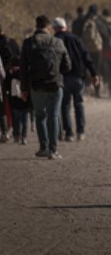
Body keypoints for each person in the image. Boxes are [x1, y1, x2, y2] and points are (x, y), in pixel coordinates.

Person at [20, 15, 72, 159]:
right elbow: (67, 67)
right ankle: (53, 150)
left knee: (40, 115)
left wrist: (24, 89)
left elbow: (23, 68)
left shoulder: (28, 43)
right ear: (49, 27)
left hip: (36, 86)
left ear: (36, 26)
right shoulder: (58, 42)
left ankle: (43, 147)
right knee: (53, 116)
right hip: (55, 85)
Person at [53, 17, 100, 142]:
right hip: (78, 76)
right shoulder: (76, 39)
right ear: (66, 27)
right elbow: (86, 56)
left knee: (65, 105)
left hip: (63, 77)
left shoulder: (55, 40)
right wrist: (94, 74)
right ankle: (81, 132)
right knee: (79, 104)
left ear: (54, 28)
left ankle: (69, 133)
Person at [4, 56, 32, 145]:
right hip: (25, 99)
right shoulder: (26, 72)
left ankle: (17, 136)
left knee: (16, 119)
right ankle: (24, 137)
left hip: (14, 100)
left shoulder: (9, 73)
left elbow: (6, 86)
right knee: (25, 120)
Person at [0, 23, 20, 142]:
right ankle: (16, 132)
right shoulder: (13, 42)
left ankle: (5, 131)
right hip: (14, 78)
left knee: (2, 107)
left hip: (3, 80)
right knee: (14, 106)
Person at [81, 4, 103, 98]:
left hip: (85, 48)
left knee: (85, 69)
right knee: (96, 70)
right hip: (96, 49)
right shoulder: (96, 21)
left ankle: (86, 88)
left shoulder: (82, 20)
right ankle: (97, 91)